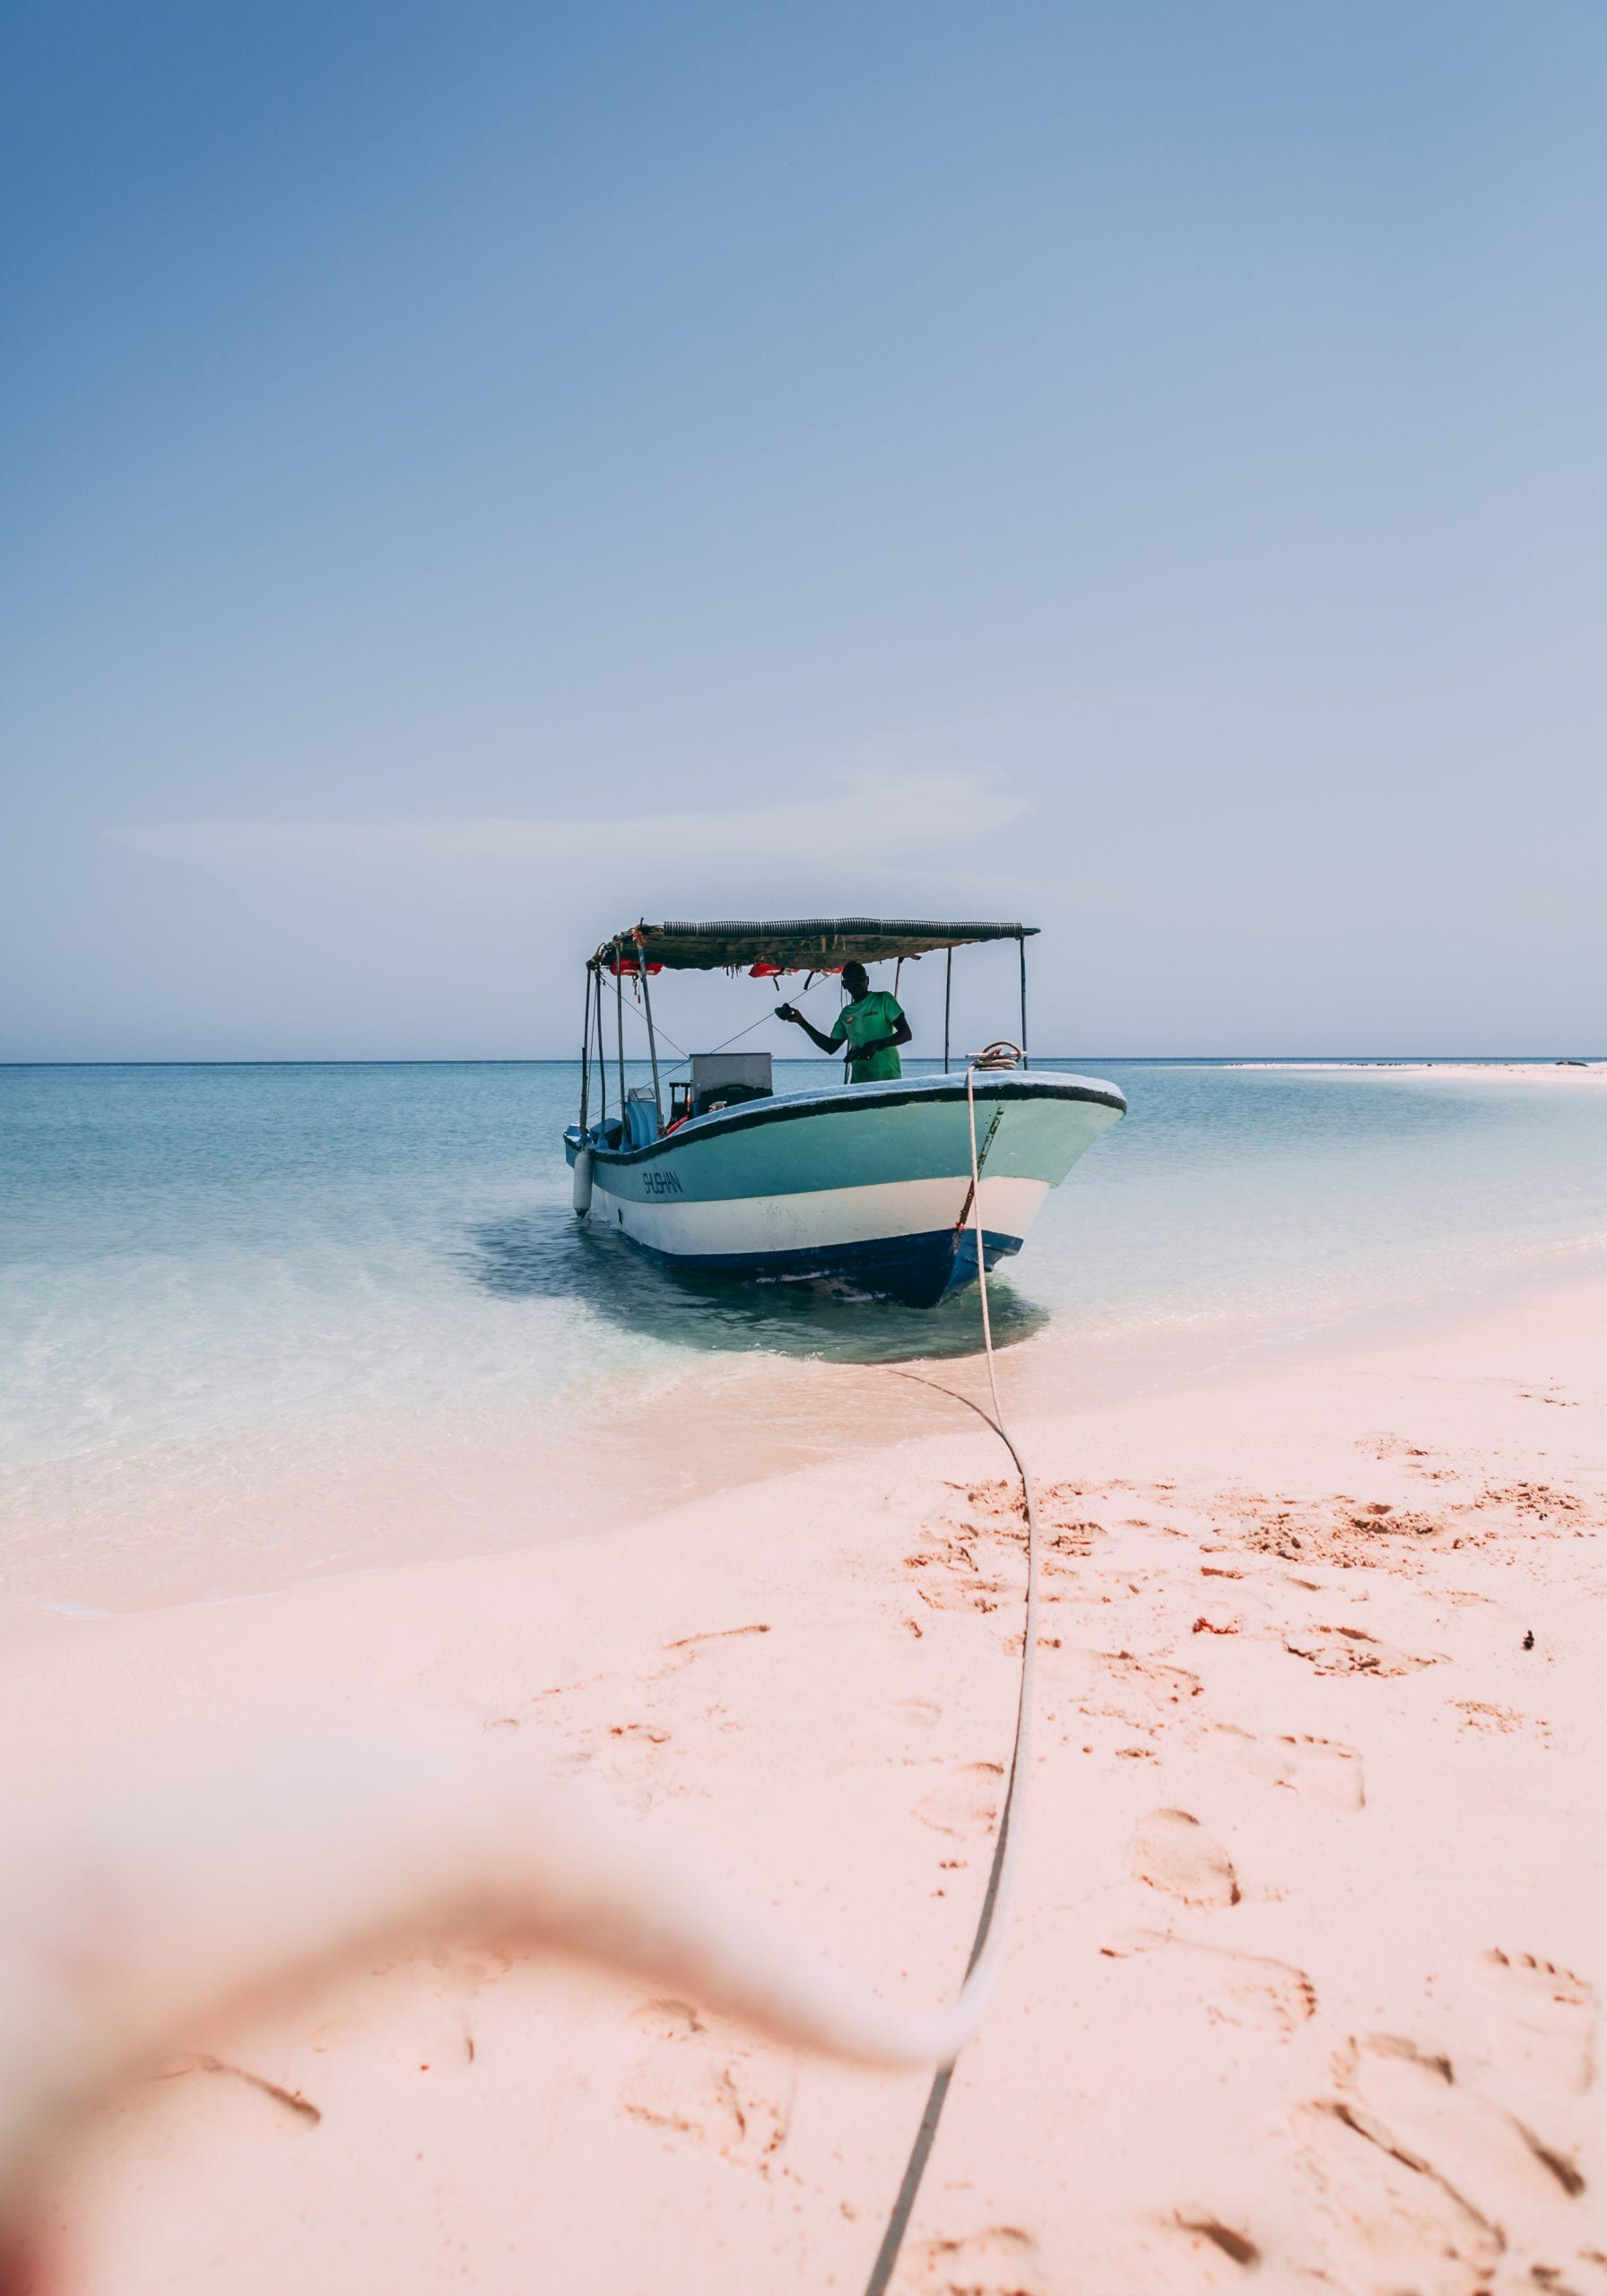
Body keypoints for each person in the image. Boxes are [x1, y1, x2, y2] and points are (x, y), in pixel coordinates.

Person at [775, 961, 912, 1083]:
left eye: (860, 978)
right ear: (845, 984)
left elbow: (906, 1034)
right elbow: (830, 1047)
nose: (857, 983)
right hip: (859, 1082)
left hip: (888, 1079)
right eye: (852, 980)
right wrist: (801, 1021)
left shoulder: (883, 1000)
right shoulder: (846, 1014)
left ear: (867, 980)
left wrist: (877, 1044)